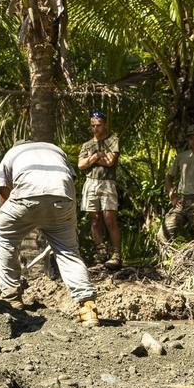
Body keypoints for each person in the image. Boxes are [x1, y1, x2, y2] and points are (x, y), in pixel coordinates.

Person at [0, 141, 99, 328]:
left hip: (25, 197)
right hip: (63, 199)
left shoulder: (11, 153)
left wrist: (17, 220)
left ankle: (12, 297)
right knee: (68, 251)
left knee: (4, 237)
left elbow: (3, 192)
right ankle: (87, 308)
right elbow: (69, 179)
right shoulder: (55, 149)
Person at [77, 111, 122, 270]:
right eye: (93, 125)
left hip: (107, 183)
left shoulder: (113, 141)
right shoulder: (87, 145)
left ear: (105, 125)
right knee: (95, 219)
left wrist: (91, 159)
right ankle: (101, 253)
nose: (95, 128)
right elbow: (81, 165)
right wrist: (97, 156)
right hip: (90, 183)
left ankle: (116, 254)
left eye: (98, 125)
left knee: (109, 218)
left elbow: (110, 162)